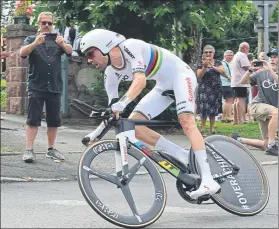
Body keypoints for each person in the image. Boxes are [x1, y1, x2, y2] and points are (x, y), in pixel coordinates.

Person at [80, 29, 221, 199]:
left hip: (180, 75)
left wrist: (122, 103)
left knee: (186, 121)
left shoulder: (130, 46)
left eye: (90, 53)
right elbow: (113, 112)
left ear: (105, 46)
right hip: (163, 85)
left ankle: (208, 179)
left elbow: (140, 81)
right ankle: (182, 155)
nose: (88, 60)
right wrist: (95, 134)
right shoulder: (110, 74)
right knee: (134, 127)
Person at [19, 12, 72, 163]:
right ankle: (29, 150)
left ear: (52, 24)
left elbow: (69, 51)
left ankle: (51, 149)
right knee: (33, 119)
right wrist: (35, 43)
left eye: (49, 23)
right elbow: (22, 53)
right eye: (44, 23)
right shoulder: (31, 39)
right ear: (39, 24)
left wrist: (62, 44)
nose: (47, 26)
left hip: (54, 86)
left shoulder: (58, 40)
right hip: (36, 85)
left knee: (54, 120)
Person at [232, 48, 278, 156]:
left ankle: (239, 140)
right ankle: (272, 145)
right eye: (271, 57)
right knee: (276, 112)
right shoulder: (261, 73)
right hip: (257, 106)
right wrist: (250, 70)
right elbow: (243, 81)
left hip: (269, 111)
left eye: (275, 57)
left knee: (265, 144)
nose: (272, 59)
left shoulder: (269, 72)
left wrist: (270, 71)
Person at [196, 45, 225, 136]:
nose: (208, 54)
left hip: (215, 88)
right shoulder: (201, 63)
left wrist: (212, 66)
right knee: (204, 109)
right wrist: (205, 67)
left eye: (210, 52)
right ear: (204, 53)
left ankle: (212, 128)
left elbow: (223, 72)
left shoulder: (218, 62)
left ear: (213, 53)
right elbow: (199, 75)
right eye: (206, 52)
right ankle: (202, 128)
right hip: (204, 89)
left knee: (213, 109)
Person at [230, 42, 251, 125]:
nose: (248, 51)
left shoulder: (236, 55)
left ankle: (235, 120)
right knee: (241, 100)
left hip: (235, 82)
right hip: (241, 81)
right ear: (245, 48)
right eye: (248, 49)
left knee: (236, 100)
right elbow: (246, 67)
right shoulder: (242, 55)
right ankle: (241, 120)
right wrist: (254, 67)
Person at [220, 50, 234, 123]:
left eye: (231, 55)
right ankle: (228, 117)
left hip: (225, 84)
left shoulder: (226, 63)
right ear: (224, 56)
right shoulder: (223, 64)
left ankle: (224, 117)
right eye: (228, 55)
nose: (230, 57)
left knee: (226, 101)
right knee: (229, 101)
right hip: (226, 84)